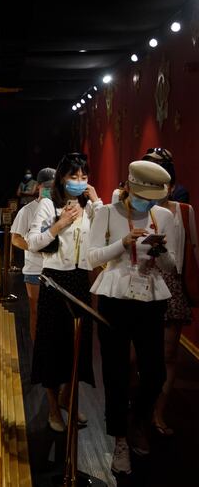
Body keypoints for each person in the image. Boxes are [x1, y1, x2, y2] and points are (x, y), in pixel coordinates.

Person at [87, 160, 175, 475]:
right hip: (114, 298)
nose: (147, 202)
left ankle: (138, 420)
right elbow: (91, 257)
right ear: (129, 185)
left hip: (151, 298)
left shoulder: (164, 216)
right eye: (142, 194)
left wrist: (159, 252)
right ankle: (120, 440)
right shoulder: (107, 213)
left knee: (155, 374)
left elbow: (171, 267)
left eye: (153, 197)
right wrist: (121, 244)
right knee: (116, 374)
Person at [27, 153, 102, 433]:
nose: (79, 182)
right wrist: (59, 224)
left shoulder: (90, 206)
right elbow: (34, 243)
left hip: (81, 281)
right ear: (62, 178)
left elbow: (105, 235)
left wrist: (97, 203)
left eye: (84, 177)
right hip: (54, 282)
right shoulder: (49, 204)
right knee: (52, 347)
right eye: (74, 177)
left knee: (77, 347)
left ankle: (67, 398)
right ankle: (52, 407)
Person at [148, 159, 198, 436]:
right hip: (143, 283)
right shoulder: (139, 209)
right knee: (136, 354)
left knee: (168, 354)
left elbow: (193, 250)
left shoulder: (184, 210)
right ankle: (138, 404)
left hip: (172, 284)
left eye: (164, 181)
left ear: (173, 184)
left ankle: (158, 412)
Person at [10, 167, 55, 341]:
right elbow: (15, 238)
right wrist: (35, 246)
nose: (50, 190)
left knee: (54, 313)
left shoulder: (61, 208)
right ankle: (36, 349)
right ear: (39, 186)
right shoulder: (27, 210)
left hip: (56, 269)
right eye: (47, 186)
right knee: (36, 310)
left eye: (53, 186)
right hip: (35, 269)